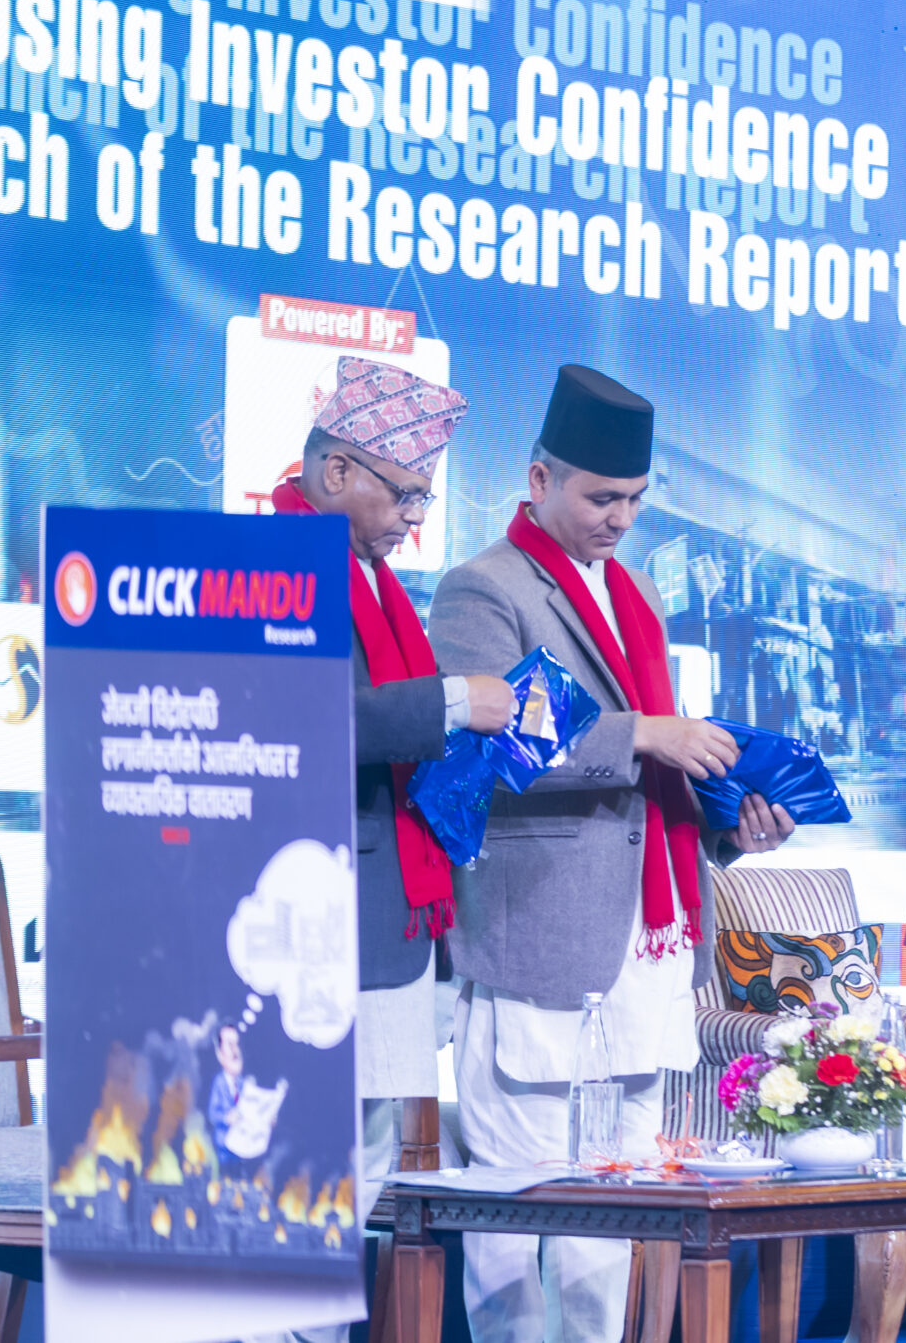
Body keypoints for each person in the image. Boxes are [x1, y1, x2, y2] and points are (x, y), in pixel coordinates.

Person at [428, 364, 796, 1343]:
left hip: (646, 941)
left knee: (614, 1204)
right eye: (601, 498)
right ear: (539, 478)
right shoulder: (483, 586)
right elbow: (484, 748)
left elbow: (650, 789)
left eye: (634, 499)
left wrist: (727, 828)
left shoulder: (637, 595)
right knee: (513, 1209)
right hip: (537, 934)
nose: (620, 519)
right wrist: (643, 733)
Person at [269, 358, 513, 1212]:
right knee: (305, 1169)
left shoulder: (370, 575)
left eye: (424, 498)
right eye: (405, 494)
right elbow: (307, 719)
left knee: (365, 1165)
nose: (414, 519)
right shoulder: (275, 558)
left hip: (385, 913)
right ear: (337, 469)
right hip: (320, 908)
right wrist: (455, 701)